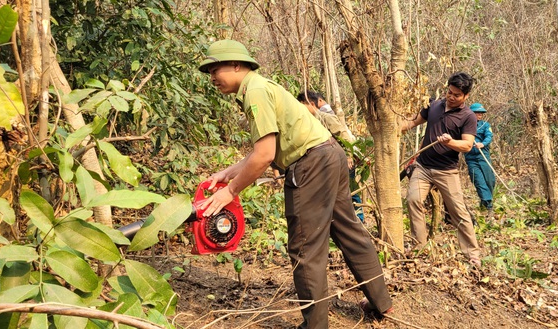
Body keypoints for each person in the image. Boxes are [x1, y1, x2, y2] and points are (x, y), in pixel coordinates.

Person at [196, 40, 392, 328]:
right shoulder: (260, 86)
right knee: (350, 231)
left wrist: (230, 191)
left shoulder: (256, 92)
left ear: (237, 65)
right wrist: (228, 173)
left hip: (311, 164)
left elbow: (264, 156)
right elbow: (265, 150)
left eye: (215, 69)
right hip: (329, 154)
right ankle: (382, 304)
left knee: (305, 248)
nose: (212, 77)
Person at [400, 72, 481, 264]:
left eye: (456, 95)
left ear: (466, 96)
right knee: (413, 200)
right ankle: (419, 245)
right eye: (449, 92)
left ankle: (473, 255)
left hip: (447, 171)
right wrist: (396, 127)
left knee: (458, 211)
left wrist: (451, 142)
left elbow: (467, 145)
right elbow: (413, 122)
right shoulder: (433, 105)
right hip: (423, 167)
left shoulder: (468, 117)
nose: (451, 97)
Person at [296, 90, 364, 222]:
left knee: (350, 192)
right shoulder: (306, 122)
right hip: (324, 164)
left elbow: (343, 136)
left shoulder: (326, 118)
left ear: (310, 104)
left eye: (302, 104)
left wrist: (348, 156)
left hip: (342, 160)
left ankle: (359, 220)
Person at [464, 103, 496, 220]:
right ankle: (489, 206)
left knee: (490, 180)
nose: (480, 115)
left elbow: (489, 136)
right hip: (471, 159)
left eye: (481, 113)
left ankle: (484, 202)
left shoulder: (485, 126)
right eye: (477, 113)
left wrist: (482, 144)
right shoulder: (465, 127)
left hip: (484, 157)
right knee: (479, 181)